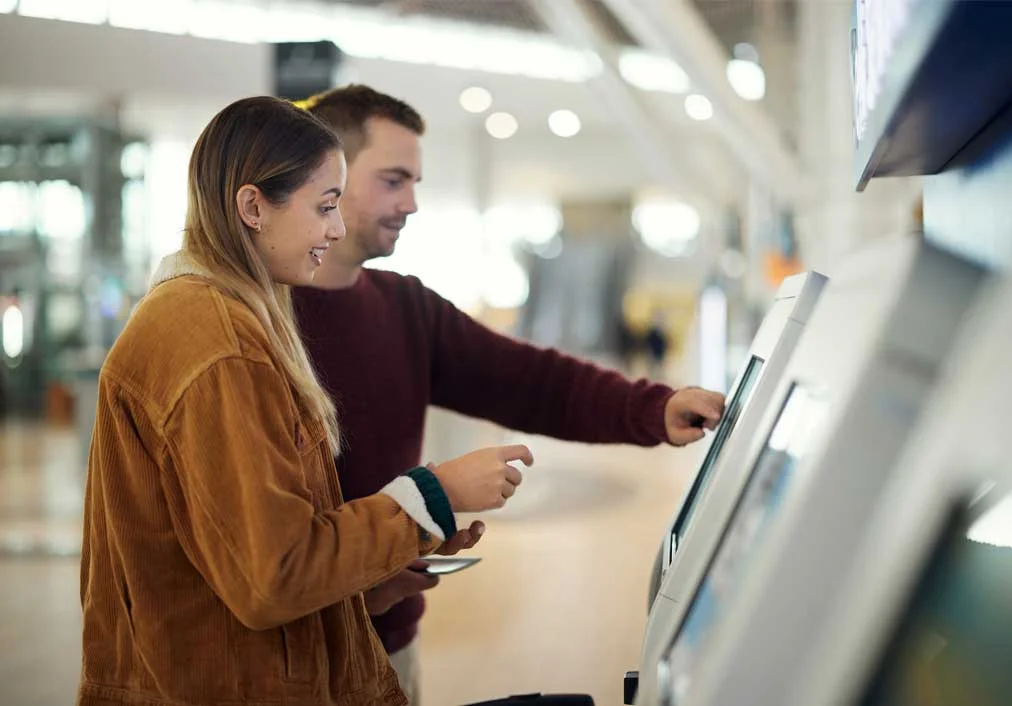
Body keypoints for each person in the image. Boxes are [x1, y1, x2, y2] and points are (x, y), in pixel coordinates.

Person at [77, 95, 535, 706]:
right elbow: (274, 577)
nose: (337, 228)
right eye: (324, 207)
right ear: (252, 207)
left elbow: (233, 563)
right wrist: (434, 495)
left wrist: (377, 578)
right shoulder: (215, 344)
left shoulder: (224, 318)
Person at [291, 85, 726, 703]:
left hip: (391, 646)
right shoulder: (255, 326)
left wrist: (653, 408)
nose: (412, 202)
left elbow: (533, 381)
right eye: (393, 180)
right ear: (327, 173)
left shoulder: (405, 307)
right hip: (289, 659)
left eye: (415, 181)